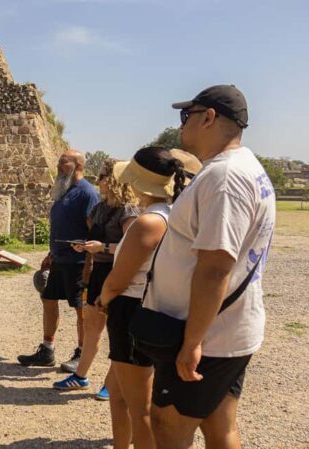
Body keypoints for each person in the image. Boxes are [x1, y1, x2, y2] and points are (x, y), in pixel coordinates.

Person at [147, 85, 275, 449]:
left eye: (186, 115)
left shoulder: (225, 177)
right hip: (224, 329)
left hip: (207, 335)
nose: (181, 124)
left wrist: (192, 342)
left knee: (168, 425)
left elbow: (215, 267)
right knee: (219, 424)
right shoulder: (241, 168)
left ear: (209, 118)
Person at [96, 147, 200, 449]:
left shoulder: (149, 222)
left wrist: (103, 299)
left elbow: (118, 280)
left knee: (139, 409)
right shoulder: (172, 215)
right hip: (148, 306)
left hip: (131, 309)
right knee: (118, 393)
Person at [51, 159, 139, 404]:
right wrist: (85, 246)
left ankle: (113, 383)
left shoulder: (129, 211)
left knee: (117, 331)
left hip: (118, 272)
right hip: (99, 271)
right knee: (92, 328)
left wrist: (104, 247)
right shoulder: (100, 208)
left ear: (114, 180)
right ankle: (80, 376)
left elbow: (133, 248)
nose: (97, 180)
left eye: (101, 176)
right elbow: (94, 236)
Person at [18, 150, 100, 370]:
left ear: (77, 165)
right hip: (59, 259)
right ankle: (47, 350)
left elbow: (94, 229)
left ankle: (82, 354)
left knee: (81, 308)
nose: (58, 165)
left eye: (63, 162)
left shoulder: (87, 193)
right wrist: (50, 254)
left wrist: (90, 259)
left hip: (78, 262)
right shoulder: (65, 190)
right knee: (48, 299)